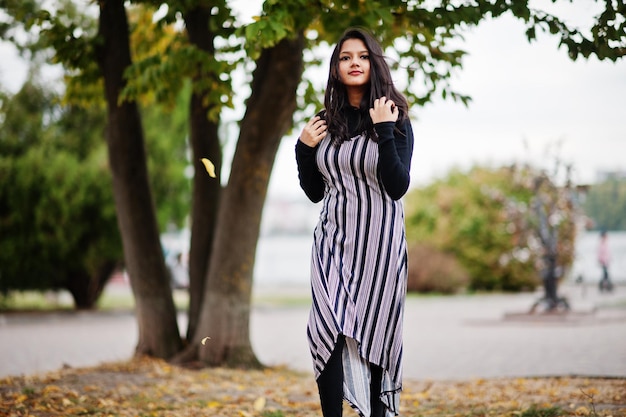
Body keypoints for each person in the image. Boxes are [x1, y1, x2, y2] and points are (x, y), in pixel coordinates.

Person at [295, 27, 414, 417]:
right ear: (335, 68)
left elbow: (397, 187)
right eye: (345, 57)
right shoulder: (323, 121)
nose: (354, 63)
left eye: (361, 56)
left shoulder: (394, 117)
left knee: (376, 334)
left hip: (380, 247)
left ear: (374, 62)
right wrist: (303, 149)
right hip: (332, 241)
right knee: (326, 328)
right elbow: (315, 191)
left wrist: (382, 129)